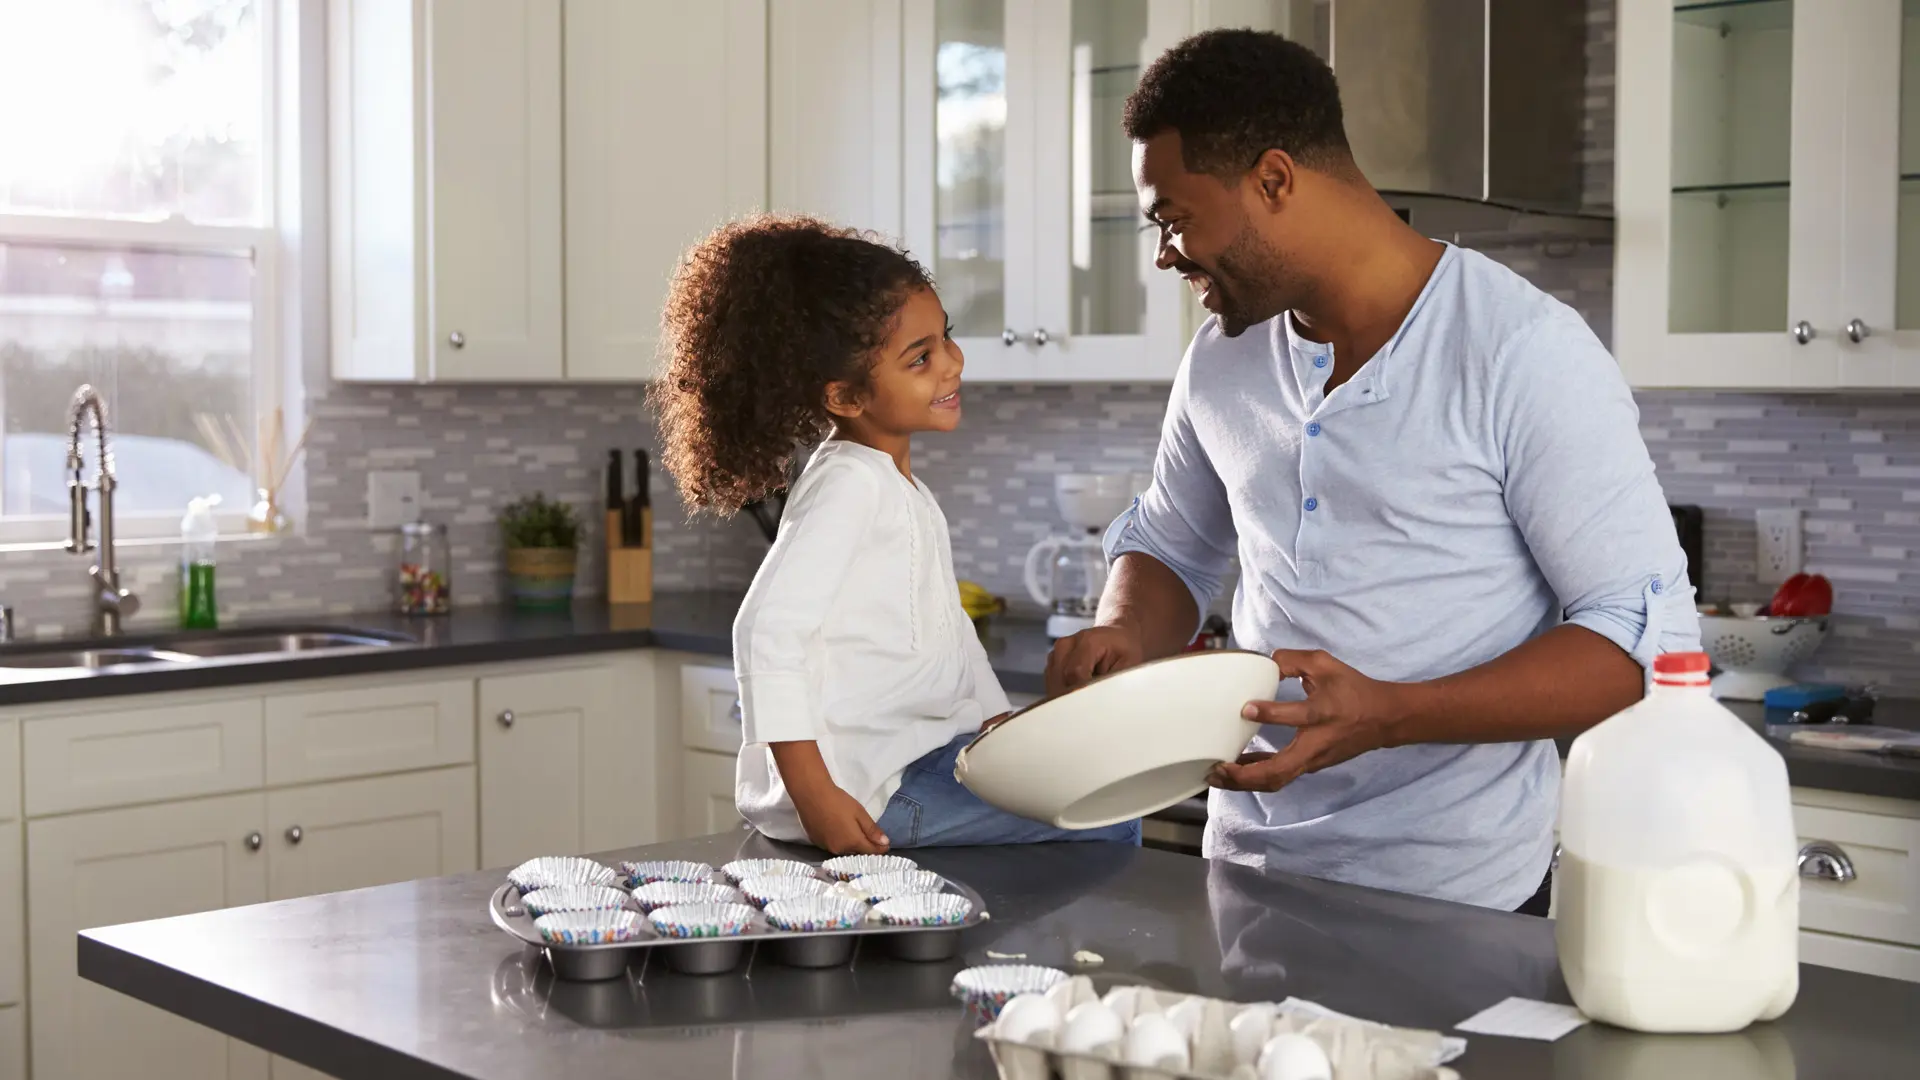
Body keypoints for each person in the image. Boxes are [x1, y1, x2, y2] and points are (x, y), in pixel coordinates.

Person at [1045, 30, 1699, 912]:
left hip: (1459, 895)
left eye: (1174, 217)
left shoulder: (1523, 350)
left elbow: (1644, 641)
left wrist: (1389, 712)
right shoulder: (1221, 358)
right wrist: (1125, 632)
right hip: (1244, 872)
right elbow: (1171, 543)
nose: (1165, 253)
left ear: (1274, 180)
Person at [653, 214, 1140, 854]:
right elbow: (763, 630)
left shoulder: (896, 485)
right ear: (847, 397)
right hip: (871, 793)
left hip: (917, 763)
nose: (953, 364)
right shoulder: (849, 485)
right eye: (921, 357)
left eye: (947, 339)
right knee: (1111, 813)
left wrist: (1001, 730)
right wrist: (817, 797)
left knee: (1102, 787)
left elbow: (952, 634)